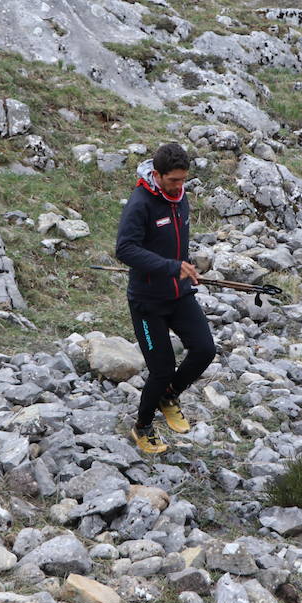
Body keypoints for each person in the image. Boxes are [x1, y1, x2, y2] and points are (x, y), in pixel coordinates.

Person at [114, 142, 216, 454]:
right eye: (173, 180)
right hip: (148, 301)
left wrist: (183, 269)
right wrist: (172, 266)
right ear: (156, 175)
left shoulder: (180, 198)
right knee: (161, 369)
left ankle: (168, 396)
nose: (179, 186)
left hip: (180, 294)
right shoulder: (140, 203)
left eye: (183, 180)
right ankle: (142, 426)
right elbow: (125, 249)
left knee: (205, 350)